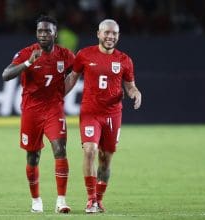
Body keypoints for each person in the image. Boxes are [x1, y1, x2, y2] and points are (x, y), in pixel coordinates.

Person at [65, 19, 142, 213]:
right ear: (98, 34)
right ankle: (90, 199)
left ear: (118, 36)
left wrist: (136, 93)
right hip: (90, 112)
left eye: (114, 33)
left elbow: (130, 86)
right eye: (106, 32)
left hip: (112, 115)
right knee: (89, 150)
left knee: (105, 159)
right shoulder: (84, 55)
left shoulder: (124, 60)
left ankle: (99, 199)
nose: (110, 36)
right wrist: (57, 97)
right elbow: (72, 78)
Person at [2, 15, 75, 213]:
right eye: (40, 31)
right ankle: (36, 201)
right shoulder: (27, 53)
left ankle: (61, 201)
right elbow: (6, 75)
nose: (43, 34)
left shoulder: (65, 55)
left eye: (47, 31)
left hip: (54, 109)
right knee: (33, 157)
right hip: (31, 111)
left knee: (60, 149)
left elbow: (77, 71)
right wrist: (27, 64)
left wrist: (64, 91)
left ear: (55, 34)